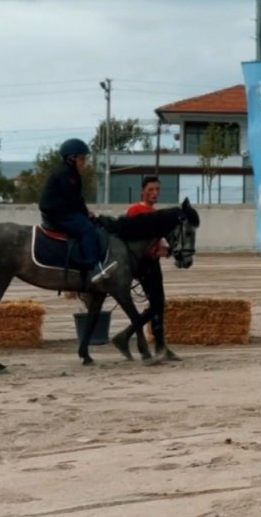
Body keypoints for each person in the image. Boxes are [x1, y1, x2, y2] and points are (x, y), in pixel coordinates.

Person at [39, 138, 116, 291]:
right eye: (82, 159)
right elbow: (73, 200)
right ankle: (93, 267)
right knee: (86, 228)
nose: (84, 162)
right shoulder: (66, 174)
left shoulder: (71, 173)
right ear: (71, 158)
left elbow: (77, 199)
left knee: (90, 222)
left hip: (62, 210)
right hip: (57, 213)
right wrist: (85, 215)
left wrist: (87, 212)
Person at [126, 176, 177, 360]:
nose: (155, 193)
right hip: (144, 264)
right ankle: (129, 336)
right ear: (143, 191)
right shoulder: (136, 211)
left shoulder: (154, 213)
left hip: (152, 262)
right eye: (151, 189)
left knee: (158, 303)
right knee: (157, 304)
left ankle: (160, 345)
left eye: (157, 190)